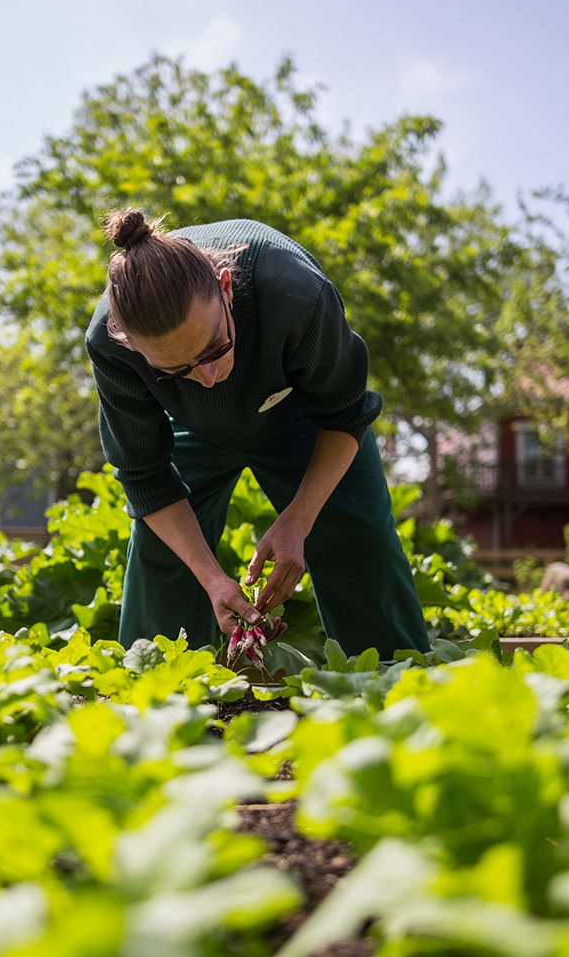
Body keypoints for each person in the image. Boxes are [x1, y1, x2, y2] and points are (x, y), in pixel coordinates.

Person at [84, 207, 431, 659]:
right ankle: (159, 701)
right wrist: (211, 577)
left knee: (358, 537)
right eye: (176, 369)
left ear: (226, 289)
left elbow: (346, 413)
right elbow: (145, 476)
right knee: (165, 552)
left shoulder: (297, 293)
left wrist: (299, 519)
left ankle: (395, 682)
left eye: (214, 348)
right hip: (191, 426)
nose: (208, 377)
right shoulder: (109, 343)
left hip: (301, 414)